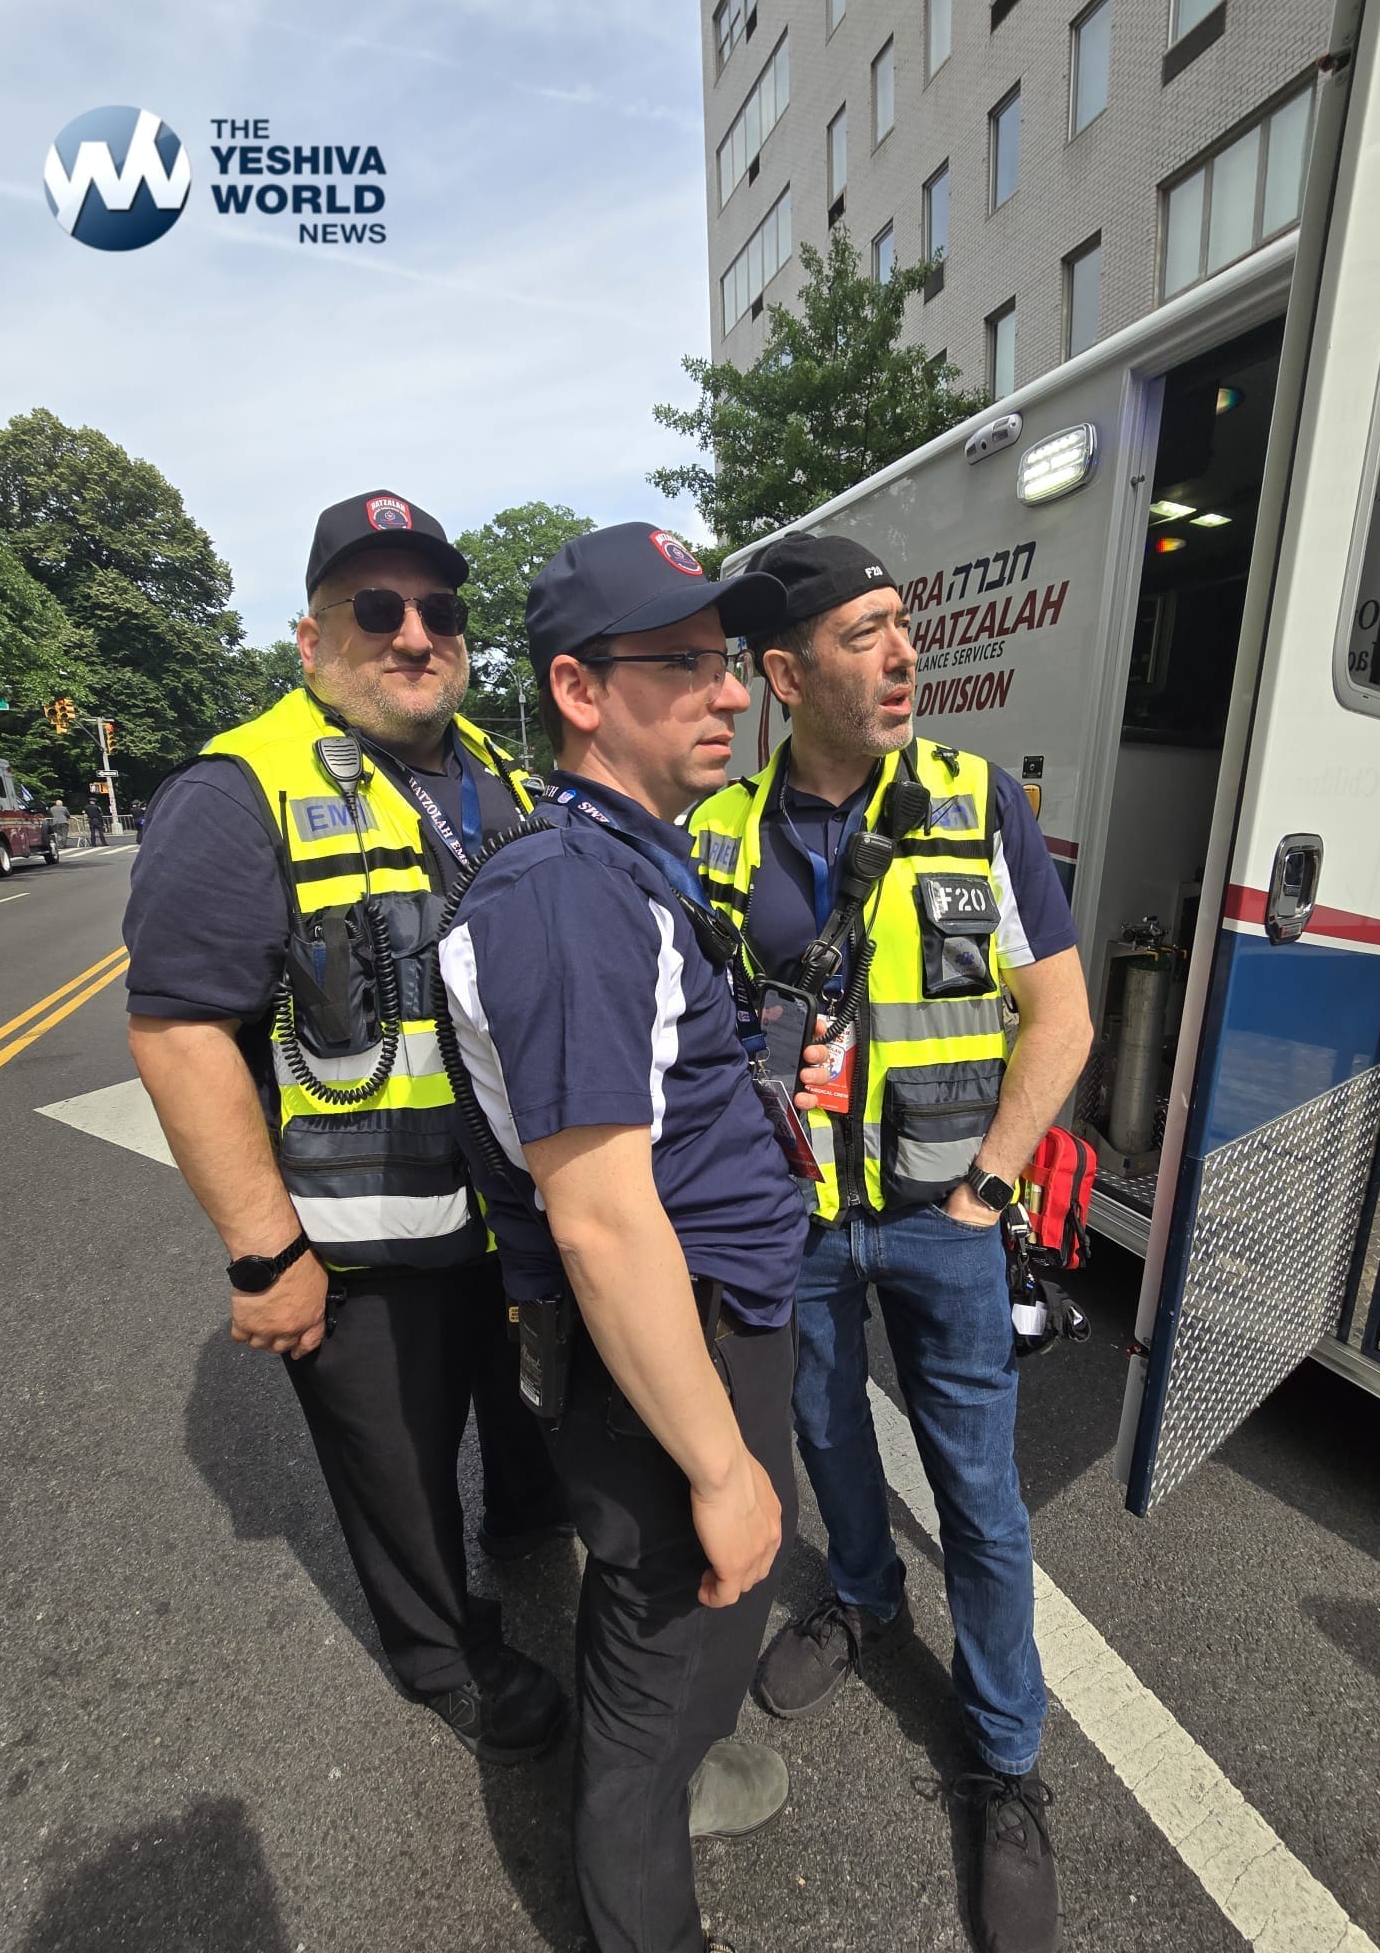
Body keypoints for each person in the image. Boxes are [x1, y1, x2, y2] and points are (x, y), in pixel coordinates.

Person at [690, 532, 1094, 1953]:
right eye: (864, 634)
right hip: (794, 1225)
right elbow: (693, 1038)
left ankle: (1006, 1761)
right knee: (825, 1437)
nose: (905, 652)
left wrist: (985, 1191)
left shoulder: (979, 803)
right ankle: (861, 1597)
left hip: (944, 1219)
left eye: (904, 626)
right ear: (786, 674)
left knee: (980, 1491)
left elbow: (1063, 1017)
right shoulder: (716, 836)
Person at [124, 490, 569, 1766]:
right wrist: (266, 1253)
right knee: (401, 1475)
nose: (415, 633)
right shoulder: (238, 787)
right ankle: (445, 1656)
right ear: (313, 637)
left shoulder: (501, 774)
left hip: (512, 1212)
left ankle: (528, 1517)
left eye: (439, 609)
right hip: (365, 1242)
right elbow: (179, 1031)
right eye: (378, 608)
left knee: (524, 1417)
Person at [436, 523, 807, 1953]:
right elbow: (598, 1219)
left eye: (730, 659)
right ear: (580, 690)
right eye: (687, 663)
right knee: (656, 1667)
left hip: (709, 1314)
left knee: (700, 1618)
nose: (732, 690)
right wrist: (716, 1465)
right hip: (667, 1346)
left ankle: (683, 1773)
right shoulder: (567, 895)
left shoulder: (620, 862)